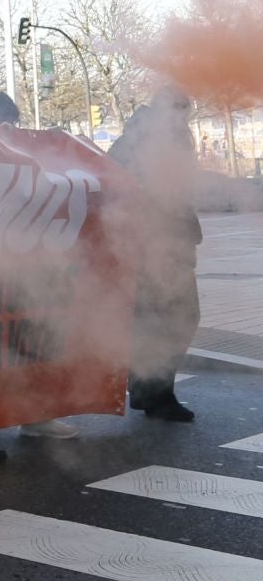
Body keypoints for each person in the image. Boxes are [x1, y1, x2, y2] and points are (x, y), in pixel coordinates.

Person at [0, 89, 79, 440]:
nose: (13, 131)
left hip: (15, 269)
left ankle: (35, 415)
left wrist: (59, 149)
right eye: (7, 125)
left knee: (25, 344)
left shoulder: (14, 156)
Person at [112, 88, 202, 422]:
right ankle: (153, 392)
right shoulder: (138, 139)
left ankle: (153, 390)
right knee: (163, 320)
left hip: (172, 242)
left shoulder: (171, 137)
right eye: (181, 110)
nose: (185, 118)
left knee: (177, 318)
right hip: (150, 245)